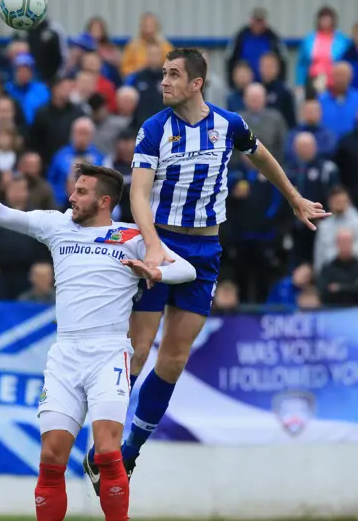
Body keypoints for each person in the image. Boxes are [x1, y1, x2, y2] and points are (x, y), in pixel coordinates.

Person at [84, 48, 331, 491]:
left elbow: (261, 156)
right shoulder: (154, 128)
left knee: (174, 358)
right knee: (136, 351)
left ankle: (128, 453)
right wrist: (154, 246)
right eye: (163, 74)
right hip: (158, 245)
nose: (164, 82)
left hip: (204, 253)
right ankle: (107, 437)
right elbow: (137, 195)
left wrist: (294, 197)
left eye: (173, 75)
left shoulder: (228, 125)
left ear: (197, 83)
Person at [0, 164, 196, 521]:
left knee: (109, 450)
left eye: (80, 192)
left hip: (109, 352)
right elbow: (7, 215)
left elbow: (188, 270)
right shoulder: (58, 226)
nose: (72, 198)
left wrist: (156, 270)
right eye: (74, 190)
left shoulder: (131, 236)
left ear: (104, 201)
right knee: (51, 456)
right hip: (65, 356)